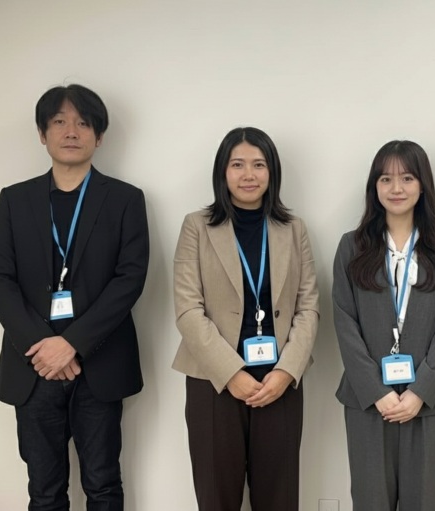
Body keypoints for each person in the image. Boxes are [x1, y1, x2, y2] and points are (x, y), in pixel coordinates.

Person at [0, 84, 150, 510]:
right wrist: (43, 347)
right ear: (43, 134)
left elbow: (129, 279)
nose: (71, 131)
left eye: (83, 123)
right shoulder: (14, 200)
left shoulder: (125, 200)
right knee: (44, 491)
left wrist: (72, 343)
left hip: (100, 364)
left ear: (99, 136)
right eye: (59, 122)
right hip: (33, 366)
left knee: (103, 485)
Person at [172, 127, 319, 511]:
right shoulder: (196, 226)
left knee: (279, 498)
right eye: (237, 165)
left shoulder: (293, 228)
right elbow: (188, 309)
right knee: (217, 497)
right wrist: (231, 373)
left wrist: (286, 371)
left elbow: (308, 307)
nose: (248, 175)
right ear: (223, 171)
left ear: (272, 172)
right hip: (214, 382)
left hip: (279, 381)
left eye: (259, 164)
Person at [333, 140, 435, 511]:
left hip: (428, 400)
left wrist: (420, 391)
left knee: (424, 501)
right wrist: (377, 391)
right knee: (370, 500)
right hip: (367, 401)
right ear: (374, 186)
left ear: (423, 185)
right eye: (386, 179)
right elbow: (344, 321)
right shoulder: (352, 246)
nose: (396, 188)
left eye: (407, 178)